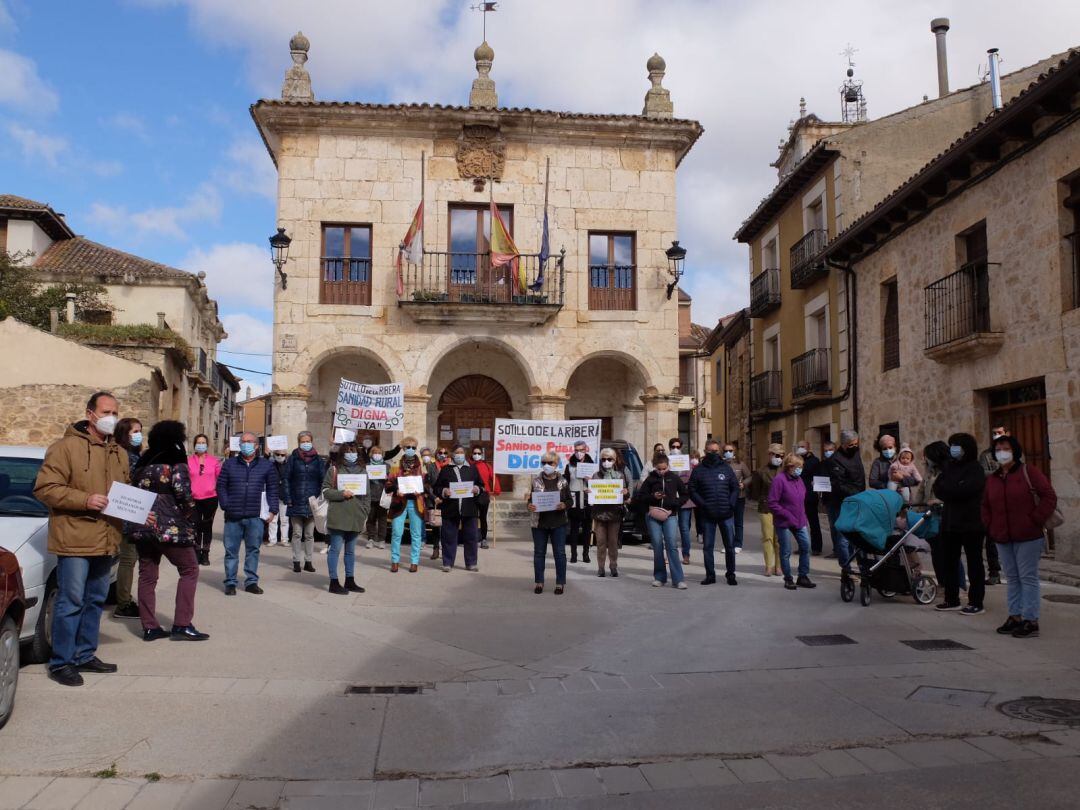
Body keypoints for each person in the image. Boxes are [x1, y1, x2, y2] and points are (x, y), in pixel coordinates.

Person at [33, 391, 129, 686]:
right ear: (90, 414)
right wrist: (85, 500)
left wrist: (141, 513)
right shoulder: (64, 448)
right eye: (106, 412)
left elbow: (125, 494)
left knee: (96, 600)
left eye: (115, 412)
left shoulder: (119, 452)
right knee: (71, 600)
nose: (111, 418)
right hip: (74, 537)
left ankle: (85, 654)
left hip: (106, 537)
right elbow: (45, 488)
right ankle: (61, 662)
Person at [130, 420, 208, 642]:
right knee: (190, 569)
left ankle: (149, 627)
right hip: (170, 526)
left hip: (143, 525)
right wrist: (194, 516)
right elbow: (183, 492)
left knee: (147, 575)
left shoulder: (143, 461)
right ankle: (182, 624)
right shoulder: (175, 460)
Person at [981, 435, 1057, 638]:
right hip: (1002, 536)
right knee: (1012, 578)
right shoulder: (993, 479)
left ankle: (1031, 620)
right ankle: (1015, 616)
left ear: (1015, 450)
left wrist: (1035, 519)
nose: (1001, 452)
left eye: (1005, 448)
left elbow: (1049, 496)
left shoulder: (1028, 472)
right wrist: (990, 525)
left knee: (1028, 577)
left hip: (1028, 535)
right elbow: (985, 505)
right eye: (998, 449)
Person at [217, 431, 279, 595]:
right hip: (233, 515)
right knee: (231, 551)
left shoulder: (267, 465)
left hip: (255, 516)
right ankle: (230, 582)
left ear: (256, 446)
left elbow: (273, 488)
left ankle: (251, 582)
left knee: (253, 550)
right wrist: (225, 504)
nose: (246, 444)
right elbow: (221, 486)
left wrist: (273, 510)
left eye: (249, 441)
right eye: (243, 441)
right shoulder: (230, 464)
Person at [933, 433, 987, 615]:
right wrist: (953, 489)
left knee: (974, 562)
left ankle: (976, 601)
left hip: (972, 523)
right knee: (949, 561)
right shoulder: (950, 467)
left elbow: (966, 490)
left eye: (956, 445)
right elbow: (939, 488)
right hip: (950, 522)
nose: (953, 449)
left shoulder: (975, 469)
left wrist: (952, 489)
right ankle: (951, 598)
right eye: (951, 445)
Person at [688, 439, 739, 586]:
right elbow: (692, 490)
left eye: (716, 451)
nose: (714, 454)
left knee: (729, 546)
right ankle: (710, 575)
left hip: (726, 514)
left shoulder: (726, 468)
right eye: (711, 451)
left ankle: (731, 575)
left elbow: (735, 488)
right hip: (707, 514)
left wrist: (731, 503)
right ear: (705, 451)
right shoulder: (698, 470)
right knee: (708, 547)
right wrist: (702, 505)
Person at [321, 441, 369, 595]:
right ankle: (333, 581)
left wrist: (365, 512)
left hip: (356, 516)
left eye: (353, 451)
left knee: (350, 551)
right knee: (334, 549)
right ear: (342, 453)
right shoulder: (334, 469)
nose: (351, 453)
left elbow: (366, 495)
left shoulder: (363, 471)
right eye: (348, 451)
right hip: (338, 515)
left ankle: (350, 580)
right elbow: (326, 491)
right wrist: (342, 494)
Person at [768, 453, 817, 590]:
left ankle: (803, 576)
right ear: (790, 467)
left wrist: (803, 517)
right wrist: (787, 515)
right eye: (798, 467)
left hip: (800, 520)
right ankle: (788, 578)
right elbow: (772, 503)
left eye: (801, 467)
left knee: (805, 547)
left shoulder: (799, 479)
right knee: (786, 551)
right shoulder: (779, 480)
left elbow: (801, 500)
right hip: (784, 521)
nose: (800, 469)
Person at [639, 453, 689, 589]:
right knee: (657, 544)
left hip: (670, 515)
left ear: (668, 466)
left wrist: (675, 503)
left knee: (672, 544)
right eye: (659, 469)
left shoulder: (674, 478)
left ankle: (678, 579)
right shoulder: (650, 479)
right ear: (655, 467)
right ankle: (660, 577)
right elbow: (641, 496)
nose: (661, 471)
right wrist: (652, 497)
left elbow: (685, 495)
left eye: (664, 468)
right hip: (653, 515)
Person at [111, 417, 143, 620]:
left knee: (123, 559)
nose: (139, 435)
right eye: (135, 431)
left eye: (140, 431)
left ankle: (118, 596)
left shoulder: (125, 453)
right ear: (125, 433)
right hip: (127, 513)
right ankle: (123, 603)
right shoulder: (125, 456)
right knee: (128, 559)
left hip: (126, 512)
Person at [528, 451, 572, 594]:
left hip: (558, 522)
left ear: (556, 464)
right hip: (539, 523)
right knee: (539, 553)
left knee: (559, 553)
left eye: (550, 463)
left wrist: (564, 505)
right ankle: (539, 582)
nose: (546, 466)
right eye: (544, 463)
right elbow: (530, 500)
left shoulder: (563, 481)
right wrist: (529, 505)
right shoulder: (536, 481)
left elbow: (570, 500)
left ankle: (560, 583)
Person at [435, 445, 485, 572]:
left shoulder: (472, 469)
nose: (459, 455)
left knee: (471, 536)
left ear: (465, 454)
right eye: (457, 452)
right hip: (450, 508)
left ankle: (471, 563)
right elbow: (437, 487)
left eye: (461, 452)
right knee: (449, 537)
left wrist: (477, 489)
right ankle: (447, 563)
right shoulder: (446, 469)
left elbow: (481, 485)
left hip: (469, 508)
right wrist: (444, 491)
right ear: (452, 455)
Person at [824, 430, 866, 573]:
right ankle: (846, 568)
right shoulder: (835, 460)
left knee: (860, 538)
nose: (854, 447)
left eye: (856, 444)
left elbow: (860, 476)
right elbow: (838, 484)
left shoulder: (856, 453)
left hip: (859, 501)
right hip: (843, 503)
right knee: (843, 538)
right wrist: (856, 494)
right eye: (851, 445)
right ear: (842, 444)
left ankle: (863, 567)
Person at [283, 431, 326, 573]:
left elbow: (323, 480)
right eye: (303, 441)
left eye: (308, 441)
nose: (306, 443)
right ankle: (296, 560)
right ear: (299, 442)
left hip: (312, 503)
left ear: (312, 442)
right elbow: (286, 479)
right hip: (295, 500)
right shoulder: (293, 459)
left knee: (309, 534)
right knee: (296, 533)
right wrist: (288, 498)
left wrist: (320, 499)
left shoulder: (318, 460)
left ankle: (308, 561)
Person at [384, 437, 428, 573]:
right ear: (403, 449)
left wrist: (420, 490)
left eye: (413, 447)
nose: (410, 449)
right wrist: (396, 489)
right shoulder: (396, 466)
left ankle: (414, 562)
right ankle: (395, 561)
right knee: (397, 533)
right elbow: (387, 485)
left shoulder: (422, 466)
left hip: (416, 503)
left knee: (416, 534)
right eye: (408, 447)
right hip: (399, 503)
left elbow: (427, 485)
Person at [591, 447, 631, 578]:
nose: (606, 461)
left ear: (614, 460)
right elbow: (592, 494)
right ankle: (600, 567)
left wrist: (626, 493)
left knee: (613, 542)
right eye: (604, 459)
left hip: (614, 513)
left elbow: (624, 495)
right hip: (599, 514)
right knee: (601, 542)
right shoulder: (596, 475)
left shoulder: (619, 475)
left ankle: (613, 566)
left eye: (609, 459)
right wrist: (589, 493)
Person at [748, 444, 784, 577]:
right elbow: (756, 492)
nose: (779, 458)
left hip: (782, 508)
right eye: (776, 455)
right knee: (768, 537)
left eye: (781, 455)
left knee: (779, 539)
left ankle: (779, 566)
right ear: (770, 455)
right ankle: (769, 566)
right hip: (766, 507)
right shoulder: (760, 471)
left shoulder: (786, 470)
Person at [978, 425, 1009, 586]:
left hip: (1011, 501)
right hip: (991, 501)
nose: (996, 435)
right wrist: (1003, 471)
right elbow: (983, 473)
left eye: (1000, 433)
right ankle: (994, 572)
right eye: (994, 433)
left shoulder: (1015, 453)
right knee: (991, 539)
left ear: (1007, 433)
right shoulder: (986, 454)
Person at [188, 433, 220, 567]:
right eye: (198, 442)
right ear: (194, 444)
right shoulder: (188, 461)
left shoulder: (214, 461)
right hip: (193, 499)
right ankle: (196, 552)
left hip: (210, 498)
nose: (201, 445)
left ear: (207, 445)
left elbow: (220, 479)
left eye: (203, 442)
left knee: (207, 527)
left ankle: (205, 553)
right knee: (195, 526)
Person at [564, 440, 593, 564]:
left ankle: (586, 554)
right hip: (574, 499)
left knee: (587, 530)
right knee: (574, 529)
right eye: (576, 450)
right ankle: (573, 554)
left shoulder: (592, 465)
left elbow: (598, 483)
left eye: (581, 450)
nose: (579, 453)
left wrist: (590, 481)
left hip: (587, 500)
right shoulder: (569, 465)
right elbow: (565, 483)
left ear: (586, 450)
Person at [795, 440, 824, 555]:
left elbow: (818, 476)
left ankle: (817, 547)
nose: (800, 448)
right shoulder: (796, 460)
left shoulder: (814, 461)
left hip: (810, 496)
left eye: (802, 446)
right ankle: (802, 546)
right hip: (797, 495)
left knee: (813, 522)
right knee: (799, 523)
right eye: (799, 446)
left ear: (808, 448)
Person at [722, 443, 751, 553]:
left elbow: (749, 476)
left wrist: (744, 484)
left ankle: (738, 544)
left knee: (738, 521)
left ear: (734, 451)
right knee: (726, 522)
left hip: (739, 496)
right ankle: (728, 544)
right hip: (725, 497)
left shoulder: (741, 464)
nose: (728, 452)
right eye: (725, 450)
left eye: (730, 450)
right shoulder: (721, 464)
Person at [471, 445, 501, 549]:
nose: (477, 455)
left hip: (484, 494)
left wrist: (496, 490)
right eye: (475, 453)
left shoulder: (487, 466)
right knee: (472, 518)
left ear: (482, 455)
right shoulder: (469, 466)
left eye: (479, 453)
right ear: (472, 454)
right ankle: (472, 538)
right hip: (471, 494)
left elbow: (493, 478)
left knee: (483, 518)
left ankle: (483, 539)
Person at [420, 447, 442, 559]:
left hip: (436, 499)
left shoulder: (433, 467)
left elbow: (433, 483)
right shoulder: (420, 468)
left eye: (428, 454)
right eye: (423, 455)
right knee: (434, 526)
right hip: (426, 499)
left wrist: (434, 497)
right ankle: (435, 549)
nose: (426, 457)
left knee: (439, 524)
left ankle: (442, 548)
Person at [366, 445, 388, 550]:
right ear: (371, 454)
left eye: (379, 453)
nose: (377, 455)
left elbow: (391, 481)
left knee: (382, 519)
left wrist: (387, 478)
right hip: (370, 495)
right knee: (371, 518)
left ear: (382, 455)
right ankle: (371, 538)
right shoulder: (366, 466)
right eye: (375, 453)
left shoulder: (387, 466)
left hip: (382, 496)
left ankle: (382, 539)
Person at [268, 447, 290, 546]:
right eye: (277, 454)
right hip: (273, 494)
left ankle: (284, 539)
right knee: (273, 519)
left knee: (284, 519)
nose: (280, 457)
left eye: (282, 455)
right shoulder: (271, 465)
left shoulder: (289, 465)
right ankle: (272, 539)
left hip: (284, 495)